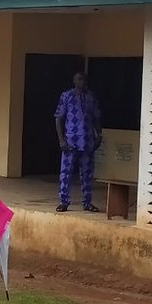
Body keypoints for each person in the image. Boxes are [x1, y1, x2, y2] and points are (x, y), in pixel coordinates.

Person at [54, 71, 101, 212]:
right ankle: (64, 201)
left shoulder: (91, 97)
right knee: (66, 172)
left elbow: (96, 117)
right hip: (70, 140)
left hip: (87, 141)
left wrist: (99, 135)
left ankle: (87, 202)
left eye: (84, 79)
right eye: (79, 79)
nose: (82, 82)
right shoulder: (67, 96)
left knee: (87, 173)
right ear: (74, 81)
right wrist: (61, 139)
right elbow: (58, 118)